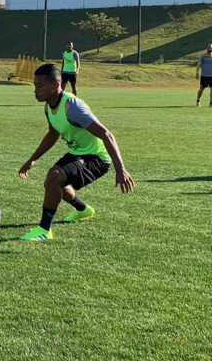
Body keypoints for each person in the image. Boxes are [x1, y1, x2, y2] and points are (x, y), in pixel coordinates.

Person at [18, 63, 134, 241]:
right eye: (35, 86)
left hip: (97, 158)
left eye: (39, 86)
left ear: (56, 85)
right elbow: (52, 134)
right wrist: (31, 160)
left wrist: (120, 169)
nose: (35, 91)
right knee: (53, 183)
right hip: (77, 153)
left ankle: (44, 230)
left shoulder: (72, 107)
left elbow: (106, 134)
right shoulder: (48, 107)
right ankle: (83, 210)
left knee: (54, 177)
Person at [195, 43, 212, 107]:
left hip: (211, 76)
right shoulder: (203, 56)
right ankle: (198, 100)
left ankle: (211, 103)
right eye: (208, 47)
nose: (209, 48)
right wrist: (197, 73)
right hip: (204, 76)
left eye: (210, 47)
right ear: (206, 48)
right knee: (201, 89)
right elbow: (198, 65)